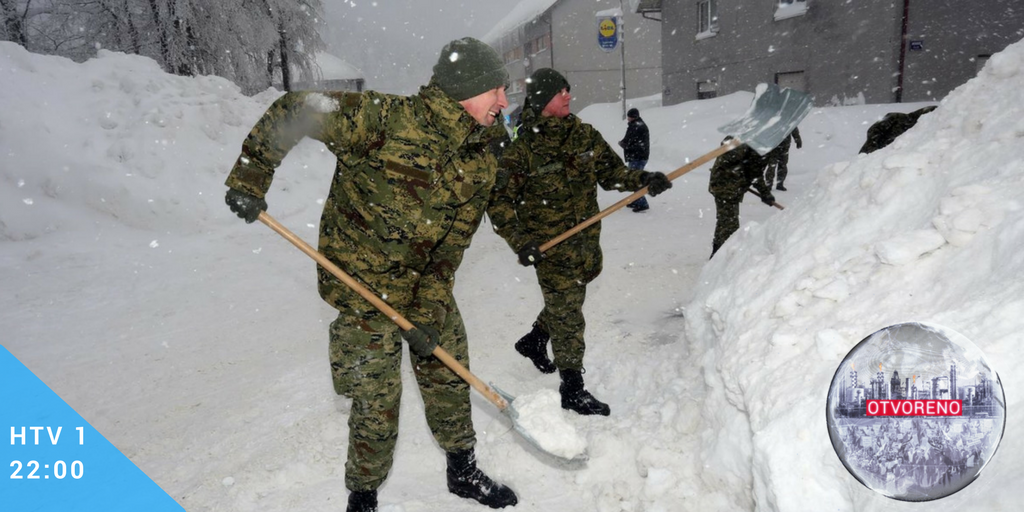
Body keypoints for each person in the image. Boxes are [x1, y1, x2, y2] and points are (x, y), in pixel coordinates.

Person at [223, 37, 517, 512]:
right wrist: (250, 177)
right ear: (464, 90)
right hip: (362, 286)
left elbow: (451, 248)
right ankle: (363, 496)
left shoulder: (479, 159)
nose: (504, 101)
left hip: (424, 285)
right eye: (495, 90)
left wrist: (427, 308)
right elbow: (296, 107)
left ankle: (462, 472)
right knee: (374, 400)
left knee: (449, 372)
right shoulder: (384, 119)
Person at [489, 68, 672, 416]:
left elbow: (613, 174)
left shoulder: (583, 135)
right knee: (569, 314)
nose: (569, 96)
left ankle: (535, 339)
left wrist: (644, 179)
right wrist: (521, 241)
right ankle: (572, 389)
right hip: (550, 247)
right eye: (562, 92)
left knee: (571, 296)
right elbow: (498, 202)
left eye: (568, 90)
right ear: (544, 100)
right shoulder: (523, 150)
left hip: (586, 242)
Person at [708, 136, 776, 257]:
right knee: (731, 226)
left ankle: (716, 254)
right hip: (728, 188)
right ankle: (725, 258)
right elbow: (754, 173)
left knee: (724, 221)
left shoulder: (743, 138)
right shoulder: (756, 146)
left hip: (720, 183)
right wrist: (765, 193)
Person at [859, 105, 936, 154]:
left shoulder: (923, 133)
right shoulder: (900, 118)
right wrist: (873, 146)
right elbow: (874, 130)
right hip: (874, 155)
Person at [618, 107, 652, 212]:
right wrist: (624, 142)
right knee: (633, 179)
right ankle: (636, 200)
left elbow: (635, 144)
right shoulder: (635, 125)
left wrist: (625, 145)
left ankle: (642, 203)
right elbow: (629, 139)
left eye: (629, 116)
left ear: (633, 117)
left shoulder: (638, 127)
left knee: (636, 180)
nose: (627, 118)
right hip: (636, 157)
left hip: (638, 157)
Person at [764, 126, 801, 191]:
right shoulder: (774, 118)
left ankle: (780, 184)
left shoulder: (788, 118)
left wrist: (797, 139)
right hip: (774, 146)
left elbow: (793, 127)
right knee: (772, 166)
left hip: (784, 146)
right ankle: (769, 184)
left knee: (782, 165)